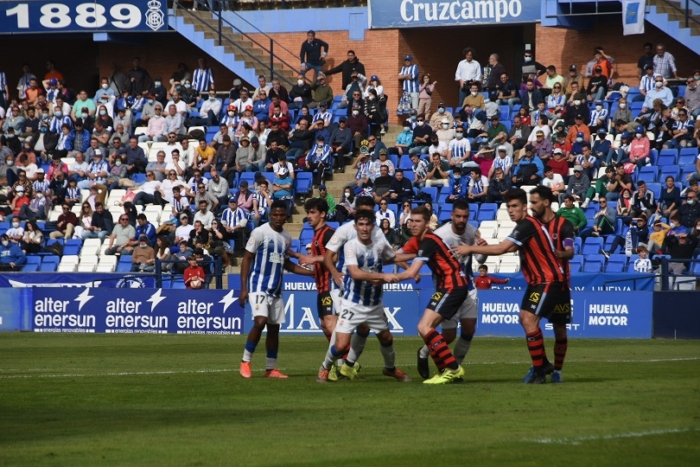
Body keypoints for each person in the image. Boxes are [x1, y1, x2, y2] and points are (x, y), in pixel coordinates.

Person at [453, 187, 574, 384]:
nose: (510, 210)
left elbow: (502, 248)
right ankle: (542, 365)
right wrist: (483, 247)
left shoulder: (527, 224)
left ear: (525, 207)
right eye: (508, 206)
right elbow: (509, 247)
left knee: (529, 320)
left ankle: (541, 369)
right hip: (541, 282)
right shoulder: (528, 225)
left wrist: (469, 248)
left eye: (515, 206)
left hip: (548, 281)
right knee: (527, 320)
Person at [317, 210, 410, 383]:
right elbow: (356, 273)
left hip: (374, 304)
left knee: (387, 338)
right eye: (361, 224)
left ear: (373, 226)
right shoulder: (351, 246)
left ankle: (390, 369)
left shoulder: (380, 243)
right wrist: (382, 277)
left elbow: (393, 257)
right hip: (353, 303)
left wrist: (415, 259)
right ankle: (325, 367)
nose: (364, 228)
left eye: (368, 224)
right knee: (341, 344)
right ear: (355, 226)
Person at [391, 206, 471, 384]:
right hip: (447, 286)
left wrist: (385, 278)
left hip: (453, 285)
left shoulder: (429, 240)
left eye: (418, 221)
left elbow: (412, 272)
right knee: (425, 328)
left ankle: (453, 368)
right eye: (411, 220)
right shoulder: (418, 241)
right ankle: (445, 371)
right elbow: (396, 256)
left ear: (427, 224)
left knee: (425, 327)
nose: (413, 224)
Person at [412, 200, 486, 379]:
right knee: (449, 335)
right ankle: (424, 352)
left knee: (469, 329)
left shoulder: (472, 231)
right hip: (447, 289)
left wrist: (482, 248)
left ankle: (455, 368)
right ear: (452, 216)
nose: (462, 220)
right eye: (458, 216)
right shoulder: (440, 235)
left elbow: (480, 259)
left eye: (465, 217)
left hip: (467, 287)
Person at [239, 201, 313, 379]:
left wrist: (311, 274)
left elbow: (286, 263)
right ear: (270, 215)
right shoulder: (259, 233)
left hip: (276, 289)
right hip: (258, 286)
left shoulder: (287, 238)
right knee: (260, 321)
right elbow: (247, 259)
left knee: (274, 329)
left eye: (282, 215)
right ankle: (245, 361)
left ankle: (270, 369)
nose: (279, 218)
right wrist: (243, 288)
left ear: (286, 216)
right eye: (275, 214)